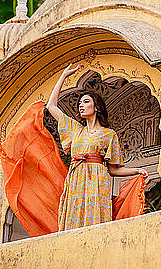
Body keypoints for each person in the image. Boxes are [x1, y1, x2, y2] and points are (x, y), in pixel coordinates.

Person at [46, 63, 148, 231]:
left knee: (95, 222)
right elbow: (51, 106)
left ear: (96, 106)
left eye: (86, 101)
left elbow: (114, 169)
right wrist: (63, 76)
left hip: (98, 181)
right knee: (73, 223)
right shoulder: (75, 130)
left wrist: (136, 171)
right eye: (79, 103)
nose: (81, 105)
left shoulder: (109, 134)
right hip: (76, 179)